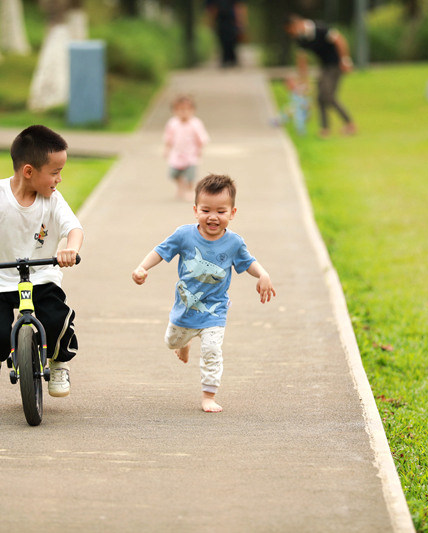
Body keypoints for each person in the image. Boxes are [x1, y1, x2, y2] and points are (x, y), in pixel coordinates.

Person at [0, 125, 83, 397]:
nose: (59, 179)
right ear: (29, 171)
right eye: (55, 172)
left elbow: (74, 228)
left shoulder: (53, 200)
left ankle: (59, 363)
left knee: (56, 321)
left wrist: (69, 249)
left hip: (40, 277)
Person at [132, 174, 276, 413]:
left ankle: (208, 395)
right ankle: (185, 342)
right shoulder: (184, 235)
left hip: (215, 310)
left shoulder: (234, 243)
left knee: (212, 351)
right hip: (185, 308)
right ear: (195, 210)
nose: (213, 217)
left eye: (221, 211)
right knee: (171, 342)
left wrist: (263, 274)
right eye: (206, 210)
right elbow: (160, 250)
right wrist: (142, 268)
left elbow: (248, 262)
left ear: (232, 213)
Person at [286, 14, 356, 138]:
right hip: (324, 66)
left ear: (296, 24)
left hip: (335, 65)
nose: (292, 34)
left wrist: (345, 60)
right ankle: (325, 128)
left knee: (327, 95)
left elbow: (339, 40)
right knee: (320, 98)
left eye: (292, 30)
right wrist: (304, 80)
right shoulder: (301, 39)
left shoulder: (320, 29)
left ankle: (349, 123)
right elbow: (302, 60)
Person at [164, 95, 210, 202]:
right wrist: (167, 149)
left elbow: (201, 138)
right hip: (176, 154)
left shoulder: (195, 123)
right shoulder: (172, 123)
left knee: (190, 175)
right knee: (173, 173)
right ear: (174, 111)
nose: (183, 112)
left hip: (191, 154)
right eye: (179, 110)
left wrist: (200, 149)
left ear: (192, 110)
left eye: (185, 110)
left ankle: (189, 190)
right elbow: (168, 138)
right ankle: (181, 185)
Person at [205, 0, 248, 68]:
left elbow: (239, 6)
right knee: (224, 38)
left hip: (230, 20)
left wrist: (240, 21)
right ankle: (227, 58)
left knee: (231, 38)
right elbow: (211, 7)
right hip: (221, 19)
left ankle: (230, 58)